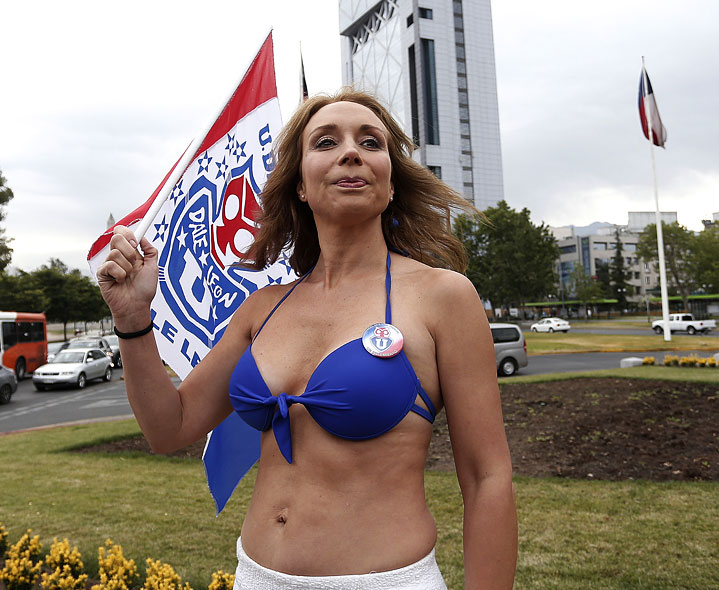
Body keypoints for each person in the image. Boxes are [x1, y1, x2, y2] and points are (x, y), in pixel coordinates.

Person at [96, 88, 517, 589]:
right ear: (299, 184)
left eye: (370, 142)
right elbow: (170, 428)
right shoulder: (264, 308)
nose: (351, 151)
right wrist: (132, 319)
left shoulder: (443, 297)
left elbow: (487, 478)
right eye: (325, 141)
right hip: (255, 577)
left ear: (390, 184)